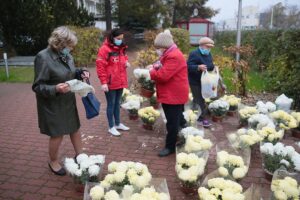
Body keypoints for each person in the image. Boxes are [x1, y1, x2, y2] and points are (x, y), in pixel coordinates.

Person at [32, 26, 89, 176]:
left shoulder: (67, 55)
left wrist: (79, 72)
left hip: (68, 100)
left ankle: (80, 156)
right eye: (68, 45)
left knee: (74, 128)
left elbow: (69, 72)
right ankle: (53, 161)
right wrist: (55, 88)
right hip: (52, 103)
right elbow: (38, 86)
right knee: (57, 134)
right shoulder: (43, 57)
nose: (70, 49)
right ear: (59, 43)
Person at [148, 30, 189, 157]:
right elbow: (161, 65)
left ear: (164, 46)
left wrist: (151, 71)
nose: (157, 50)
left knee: (172, 122)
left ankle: (170, 146)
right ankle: (184, 134)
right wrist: (155, 66)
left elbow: (163, 76)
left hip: (173, 95)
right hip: (171, 93)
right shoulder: (168, 54)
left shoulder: (174, 56)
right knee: (177, 118)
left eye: (158, 47)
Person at [96, 28, 130, 136]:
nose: (120, 40)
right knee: (111, 104)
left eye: (121, 38)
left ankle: (118, 123)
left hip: (120, 80)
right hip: (110, 82)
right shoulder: (104, 49)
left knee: (117, 103)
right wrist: (103, 82)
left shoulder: (121, 48)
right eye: (118, 38)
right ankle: (111, 126)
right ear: (112, 37)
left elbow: (123, 58)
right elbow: (100, 66)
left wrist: (126, 62)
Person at [187, 37, 225, 127]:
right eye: (208, 47)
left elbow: (210, 65)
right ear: (202, 45)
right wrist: (198, 67)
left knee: (198, 98)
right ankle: (201, 118)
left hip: (205, 82)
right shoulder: (194, 53)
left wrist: (213, 67)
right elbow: (188, 66)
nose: (209, 49)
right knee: (201, 99)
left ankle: (192, 111)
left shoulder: (208, 54)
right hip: (195, 81)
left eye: (210, 47)